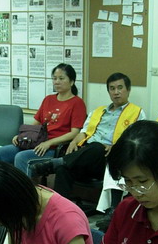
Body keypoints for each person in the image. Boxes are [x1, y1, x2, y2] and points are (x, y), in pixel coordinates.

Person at [31, 72, 143, 201]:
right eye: (112, 89)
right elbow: (84, 132)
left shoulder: (137, 112)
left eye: (120, 88)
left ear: (128, 90)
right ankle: (60, 205)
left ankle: (55, 163)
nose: (116, 92)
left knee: (97, 147)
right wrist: (74, 141)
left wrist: (116, 147)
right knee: (63, 169)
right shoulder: (98, 111)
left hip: (110, 159)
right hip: (87, 155)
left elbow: (136, 141)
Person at [0, 63, 87, 175]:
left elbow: (74, 133)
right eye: (54, 78)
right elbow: (35, 125)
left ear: (72, 82)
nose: (57, 82)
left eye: (61, 78)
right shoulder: (48, 99)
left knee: (21, 157)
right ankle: (2, 184)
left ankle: (24, 186)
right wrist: (22, 136)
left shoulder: (77, 103)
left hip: (54, 148)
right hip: (36, 143)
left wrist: (49, 143)